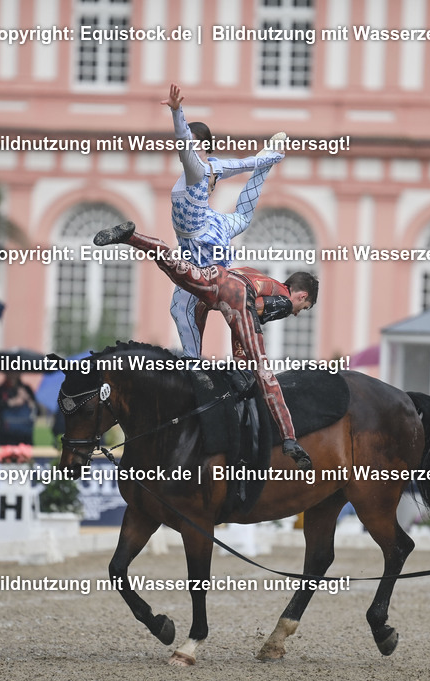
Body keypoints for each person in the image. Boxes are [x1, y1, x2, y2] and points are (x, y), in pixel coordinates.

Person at [94, 221, 317, 471]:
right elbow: (248, 311)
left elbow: (240, 301)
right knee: (264, 375)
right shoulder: (286, 300)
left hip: (217, 277)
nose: (297, 313)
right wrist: (245, 352)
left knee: (174, 267)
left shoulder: (260, 276)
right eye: (303, 309)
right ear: (302, 296)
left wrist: (237, 347)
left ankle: (132, 237)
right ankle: (289, 438)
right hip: (235, 299)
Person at [162, 83, 286, 357]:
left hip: (201, 237)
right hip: (205, 233)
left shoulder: (197, 168)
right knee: (241, 217)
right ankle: (195, 360)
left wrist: (176, 112)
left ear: (202, 145)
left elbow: (186, 143)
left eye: (193, 144)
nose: (185, 149)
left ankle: (194, 362)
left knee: (180, 308)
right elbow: (245, 162)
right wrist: (270, 156)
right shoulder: (207, 167)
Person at [0, 371, 37, 445]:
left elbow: (37, 411)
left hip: (25, 438)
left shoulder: (26, 389)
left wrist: (27, 399)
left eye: (16, 371)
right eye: (10, 371)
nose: (13, 374)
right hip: (5, 438)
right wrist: (10, 403)